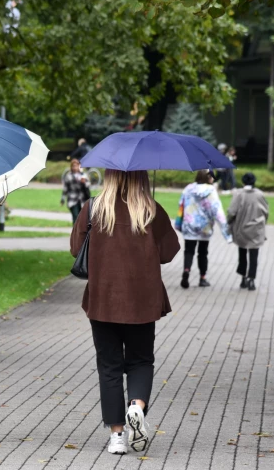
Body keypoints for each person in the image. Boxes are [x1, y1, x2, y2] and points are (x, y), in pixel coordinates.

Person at [70, 170, 180, 455]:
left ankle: (117, 436)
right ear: (141, 177)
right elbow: (169, 252)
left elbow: (75, 249)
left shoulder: (93, 208)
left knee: (109, 367)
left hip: (103, 299)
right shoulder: (151, 210)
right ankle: (137, 406)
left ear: (109, 175)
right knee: (141, 360)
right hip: (142, 301)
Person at [177, 169, 232, 288]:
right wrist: (226, 232)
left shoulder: (188, 188)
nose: (213, 179)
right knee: (203, 253)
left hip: (189, 226)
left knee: (189, 251)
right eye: (212, 177)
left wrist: (178, 224)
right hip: (205, 228)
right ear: (208, 178)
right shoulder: (211, 190)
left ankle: (186, 270)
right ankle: (202, 278)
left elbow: (181, 205)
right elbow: (217, 211)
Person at [227, 172, 269, 291]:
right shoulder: (260, 195)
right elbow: (266, 212)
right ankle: (252, 279)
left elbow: (231, 212)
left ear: (243, 182)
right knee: (254, 255)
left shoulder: (238, 194)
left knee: (242, 254)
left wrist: (229, 222)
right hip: (256, 229)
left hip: (241, 229)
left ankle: (243, 278)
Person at [61, 159, 91, 224]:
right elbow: (65, 188)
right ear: (71, 167)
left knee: (82, 218)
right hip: (72, 200)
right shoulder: (68, 176)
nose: (75, 168)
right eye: (73, 166)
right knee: (76, 217)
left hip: (82, 200)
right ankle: (75, 233)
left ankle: (80, 233)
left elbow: (88, 185)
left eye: (76, 166)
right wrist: (63, 199)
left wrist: (84, 182)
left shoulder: (83, 175)